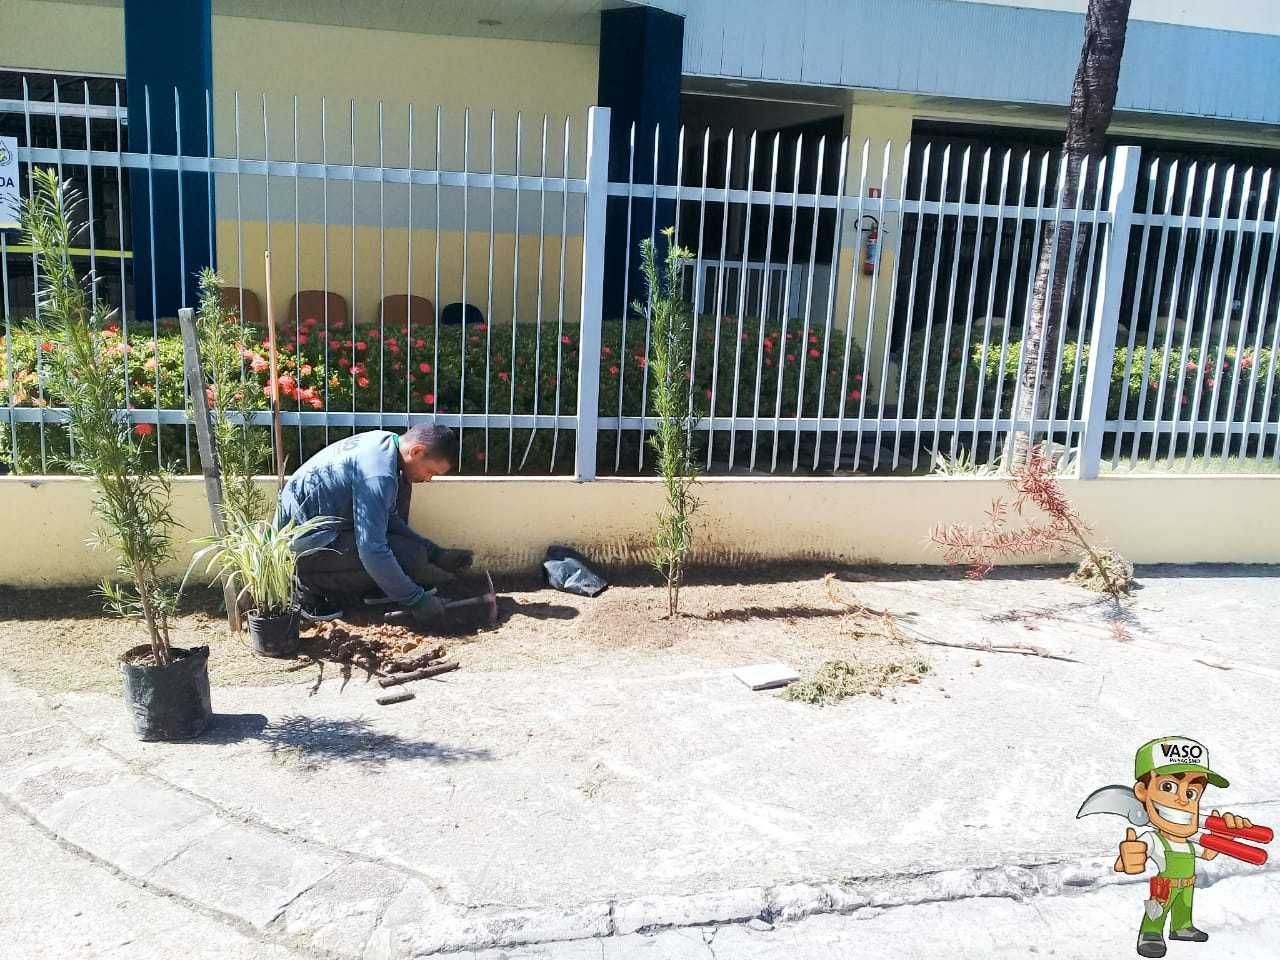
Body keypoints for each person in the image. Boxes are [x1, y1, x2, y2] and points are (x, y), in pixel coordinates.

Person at [276, 424, 473, 626]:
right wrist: (417, 600)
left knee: (412, 555)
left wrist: (435, 553)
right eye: (430, 471)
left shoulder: (387, 444)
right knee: (402, 558)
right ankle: (306, 589)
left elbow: (388, 518)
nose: (428, 479)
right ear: (417, 451)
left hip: (328, 532)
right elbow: (372, 550)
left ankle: (381, 584)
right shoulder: (378, 474)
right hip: (299, 551)